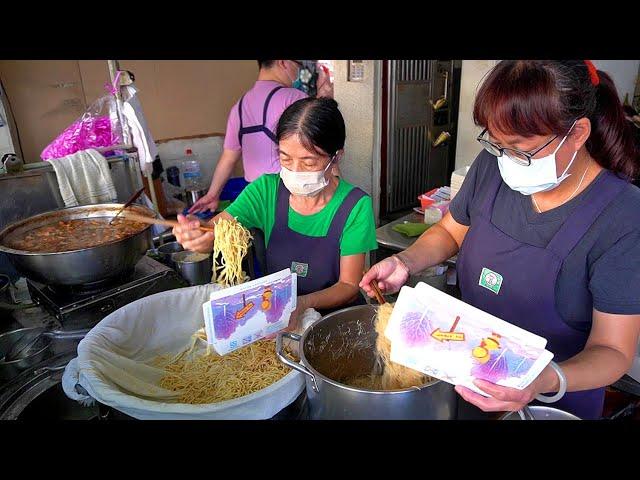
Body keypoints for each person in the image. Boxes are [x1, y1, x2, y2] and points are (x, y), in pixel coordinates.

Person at [361, 60, 640, 420]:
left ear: (577, 133)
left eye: (520, 148)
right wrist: (406, 262)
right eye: (497, 144)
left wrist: (541, 380)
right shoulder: (492, 167)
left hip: (553, 402)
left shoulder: (622, 216)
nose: (506, 159)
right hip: (463, 379)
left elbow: (612, 351)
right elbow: (448, 231)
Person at [175, 97, 378, 329]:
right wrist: (197, 237)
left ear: (336, 157)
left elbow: (348, 287)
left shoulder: (355, 205)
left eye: (309, 162)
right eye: (285, 158)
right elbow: (214, 231)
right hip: (277, 320)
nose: (295, 171)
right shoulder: (266, 191)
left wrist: (301, 304)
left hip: (336, 324)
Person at [190, 60, 334, 214]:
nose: (298, 71)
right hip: (291, 201)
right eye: (297, 65)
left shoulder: (239, 107)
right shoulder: (294, 99)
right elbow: (321, 147)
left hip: (254, 202)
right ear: (283, 62)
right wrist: (326, 101)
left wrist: (212, 195)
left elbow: (228, 158)